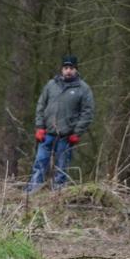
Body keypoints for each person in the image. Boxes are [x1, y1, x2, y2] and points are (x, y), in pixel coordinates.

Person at [25, 54, 95, 192]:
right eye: (66, 68)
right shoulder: (51, 85)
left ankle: (58, 193)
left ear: (76, 70)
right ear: (62, 69)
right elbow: (41, 105)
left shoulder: (83, 89)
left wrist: (77, 132)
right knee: (39, 163)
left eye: (71, 68)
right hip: (47, 133)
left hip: (66, 136)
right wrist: (39, 126)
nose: (68, 71)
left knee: (62, 167)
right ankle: (32, 191)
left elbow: (88, 113)